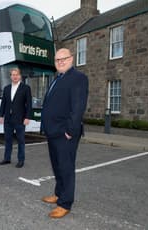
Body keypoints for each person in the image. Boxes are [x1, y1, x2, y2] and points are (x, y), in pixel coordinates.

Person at [41, 48, 89, 218]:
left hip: (65, 133)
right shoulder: (58, 78)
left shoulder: (78, 78)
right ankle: (58, 193)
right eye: (57, 60)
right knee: (57, 165)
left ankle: (65, 203)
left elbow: (78, 107)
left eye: (64, 59)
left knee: (66, 167)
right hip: (53, 131)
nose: (60, 62)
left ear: (72, 59)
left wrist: (70, 130)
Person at [0, 68, 32, 168]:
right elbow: (3, 103)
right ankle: (7, 158)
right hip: (8, 119)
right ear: (10, 76)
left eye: (16, 74)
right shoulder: (7, 88)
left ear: (20, 76)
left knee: (21, 140)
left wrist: (27, 117)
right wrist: (1, 115)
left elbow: (29, 104)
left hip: (20, 119)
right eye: (13, 75)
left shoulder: (26, 88)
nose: (15, 76)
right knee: (8, 139)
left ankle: (21, 160)